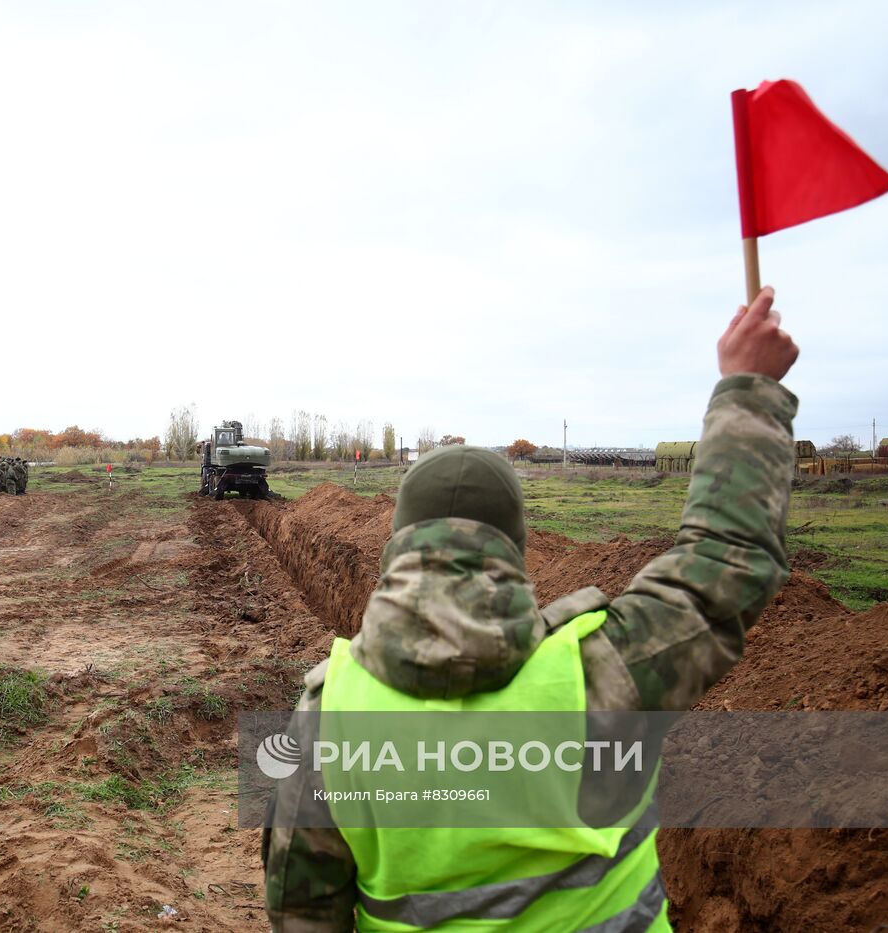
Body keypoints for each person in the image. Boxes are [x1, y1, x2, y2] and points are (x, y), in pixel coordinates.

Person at [263, 287, 800, 932]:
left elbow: (300, 912)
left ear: (397, 546)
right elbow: (726, 563)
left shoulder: (329, 719)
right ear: (514, 550)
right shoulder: (603, 671)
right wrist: (749, 388)